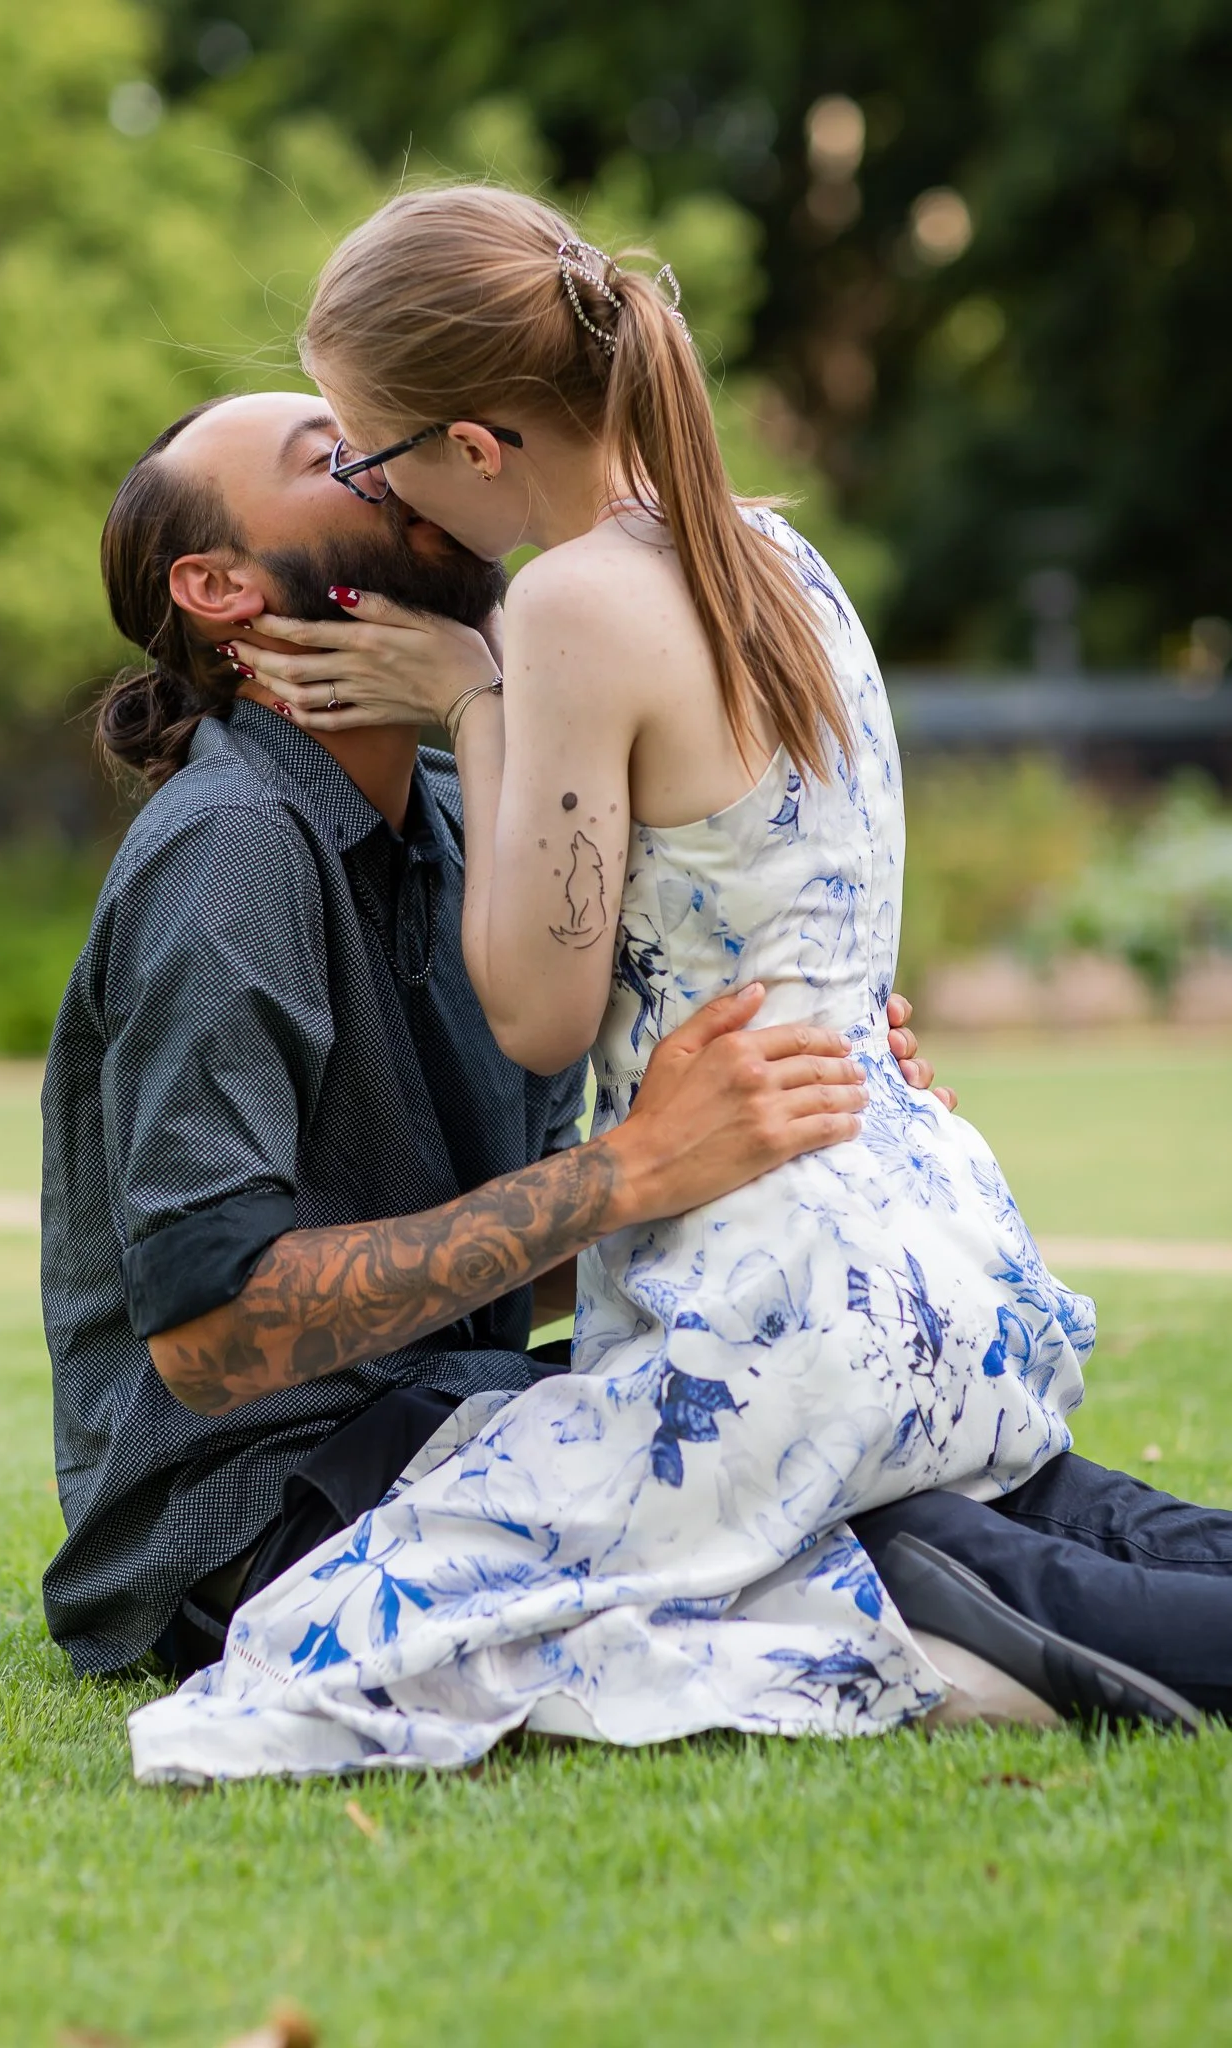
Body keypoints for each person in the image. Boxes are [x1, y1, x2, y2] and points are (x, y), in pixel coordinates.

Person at [120, 193, 1232, 1783]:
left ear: (482, 446)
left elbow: (541, 1019)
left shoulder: (566, 603)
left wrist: (488, 697)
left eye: (370, 449)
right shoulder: (770, 548)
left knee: (346, 1647)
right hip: (928, 1235)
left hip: (773, 1286)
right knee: (1058, 1519)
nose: (374, 482)